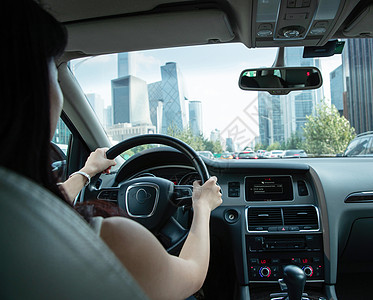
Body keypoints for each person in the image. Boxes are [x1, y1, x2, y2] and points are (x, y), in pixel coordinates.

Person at [0, 1, 223, 300]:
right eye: (54, 74)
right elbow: (192, 272)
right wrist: (203, 208)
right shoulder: (112, 242)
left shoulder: (17, 215)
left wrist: (86, 171)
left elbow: (44, 203)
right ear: (34, 95)